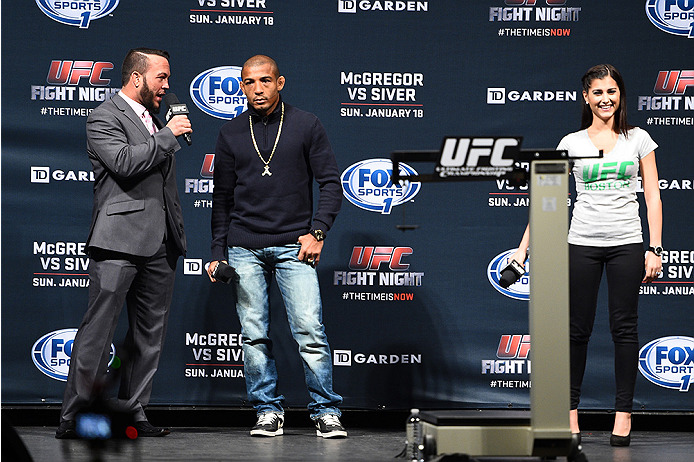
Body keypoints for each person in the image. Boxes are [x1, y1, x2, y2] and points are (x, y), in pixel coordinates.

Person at [510, 64, 662, 447]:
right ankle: (570, 413)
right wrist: (523, 249)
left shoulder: (639, 139)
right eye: (598, 92)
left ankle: (623, 415)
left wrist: (655, 247)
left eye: (612, 91)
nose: (605, 98)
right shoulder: (572, 143)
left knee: (625, 330)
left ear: (620, 95)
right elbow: (549, 200)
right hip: (581, 243)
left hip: (627, 241)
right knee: (576, 331)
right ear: (586, 97)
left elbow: (653, 196)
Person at [56, 48, 192, 439]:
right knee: (98, 332)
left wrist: (176, 232)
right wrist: (168, 135)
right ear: (137, 78)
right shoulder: (103, 116)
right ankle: (75, 416)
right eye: (161, 78)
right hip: (117, 240)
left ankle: (133, 411)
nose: (167, 86)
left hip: (161, 242)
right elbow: (124, 163)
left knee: (149, 335)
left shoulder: (156, 119)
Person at [208, 55, 346, 438]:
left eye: (265, 81)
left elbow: (332, 185)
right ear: (241, 86)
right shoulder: (232, 132)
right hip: (244, 247)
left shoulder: (306, 124)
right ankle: (267, 410)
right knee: (253, 333)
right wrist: (218, 252)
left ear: (280, 82)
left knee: (309, 329)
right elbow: (221, 198)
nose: (257, 89)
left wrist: (317, 231)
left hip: (294, 245)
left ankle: (325, 410)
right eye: (249, 83)